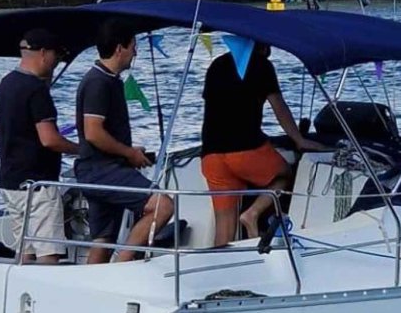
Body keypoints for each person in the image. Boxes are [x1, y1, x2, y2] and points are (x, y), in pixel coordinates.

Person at [200, 42, 326, 246]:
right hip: (246, 149)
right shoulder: (262, 65)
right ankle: (253, 213)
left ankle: (220, 262)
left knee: (224, 224)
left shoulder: (217, 64)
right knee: (284, 175)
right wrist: (299, 139)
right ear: (262, 45)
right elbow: (279, 107)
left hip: (211, 154)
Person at [73, 20, 174, 263]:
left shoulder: (109, 79)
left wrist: (129, 152)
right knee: (162, 205)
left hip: (99, 168)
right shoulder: (98, 82)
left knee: (104, 238)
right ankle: (124, 262)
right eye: (133, 46)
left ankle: (95, 280)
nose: (135, 52)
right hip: (102, 170)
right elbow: (93, 132)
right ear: (120, 48)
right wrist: (129, 153)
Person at [0, 28, 79, 264]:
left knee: (25, 250)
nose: (56, 62)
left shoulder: (7, 83)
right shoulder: (36, 90)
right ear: (44, 53)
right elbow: (49, 139)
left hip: (10, 180)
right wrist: (81, 149)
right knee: (47, 251)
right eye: (56, 56)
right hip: (38, 184)